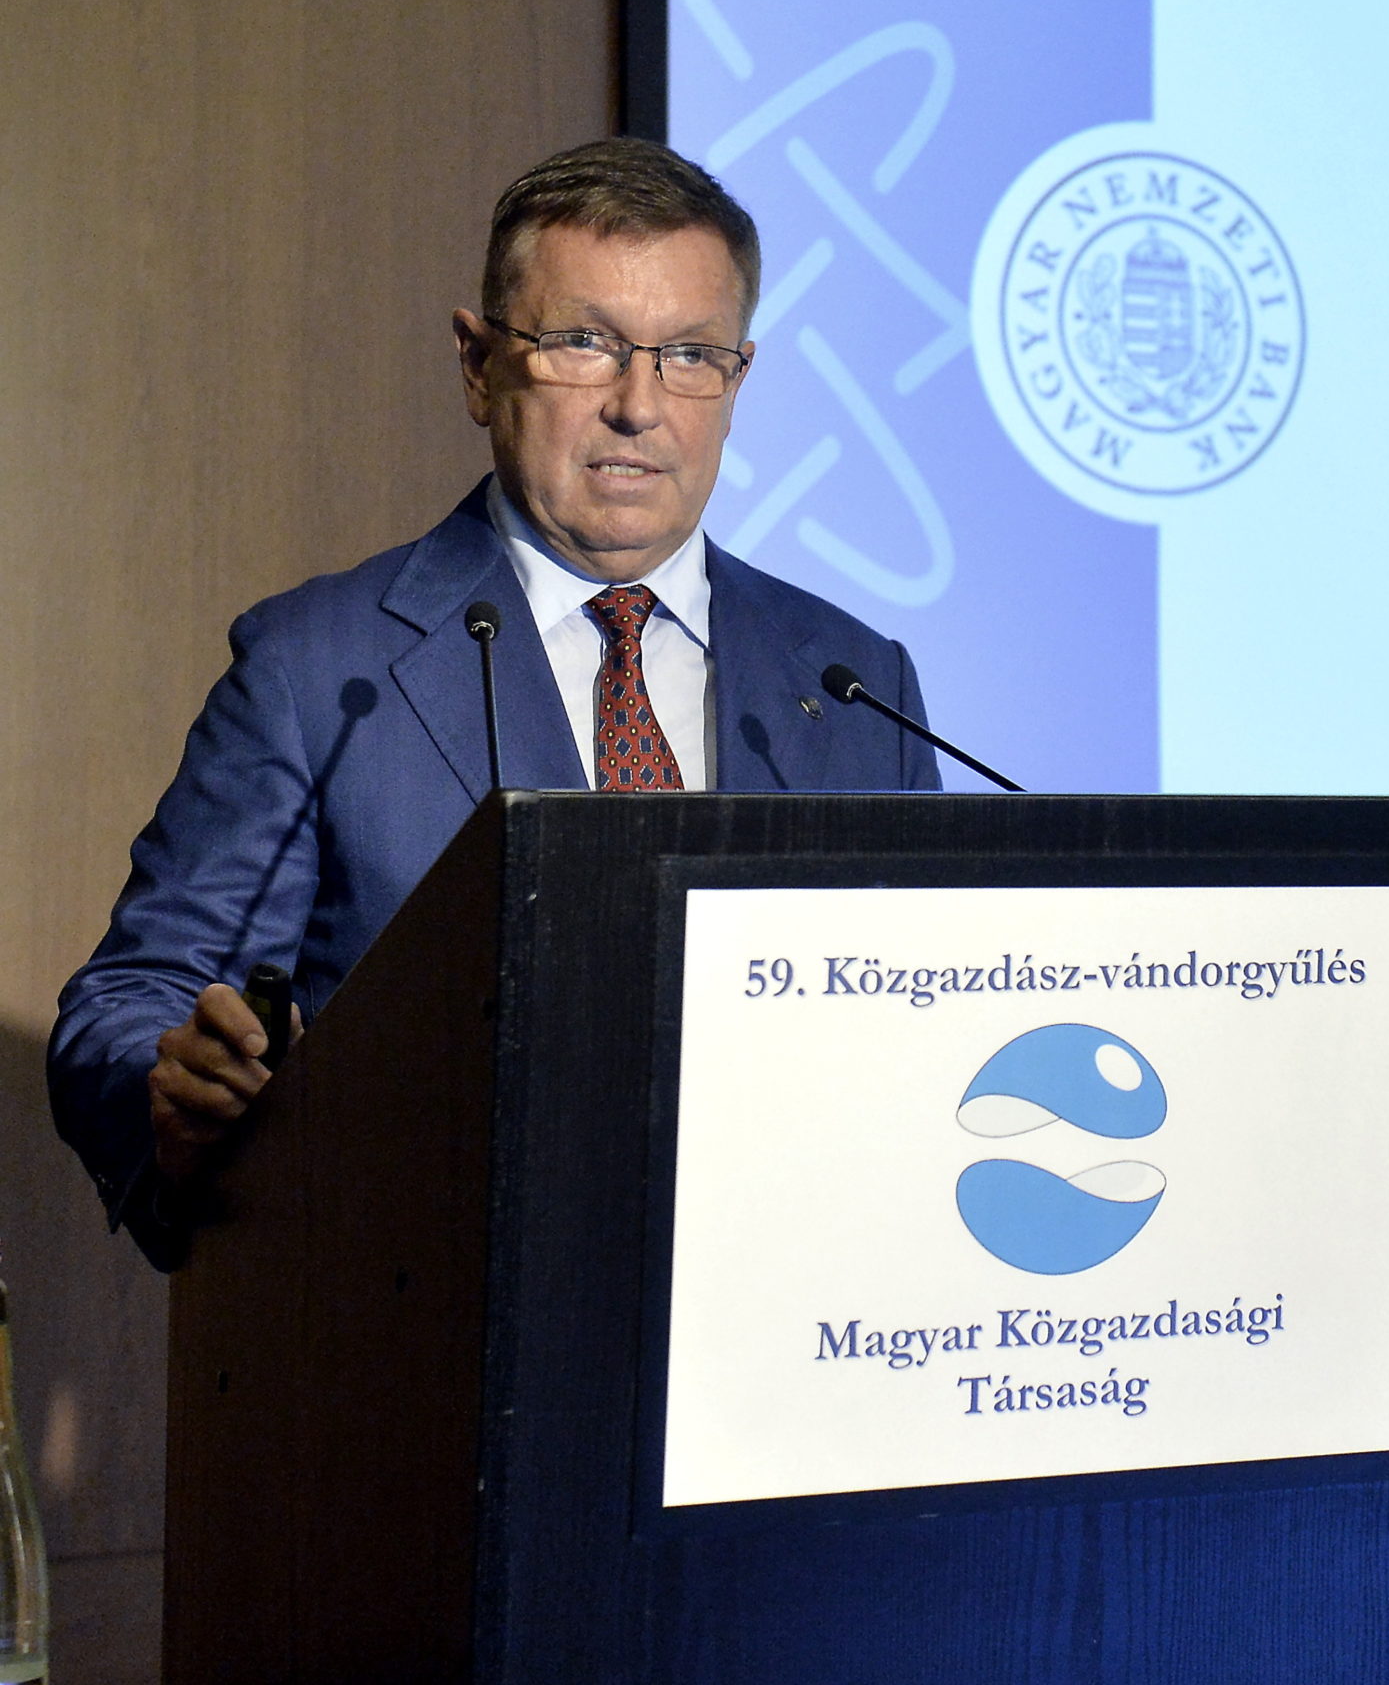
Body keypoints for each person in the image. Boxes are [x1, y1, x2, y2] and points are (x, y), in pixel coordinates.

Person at [50, 139, 940, 1269]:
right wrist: (172, 1086)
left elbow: (923, 1022)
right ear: (478, 366)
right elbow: (138, 1000)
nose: (638, 407)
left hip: (790, 1303)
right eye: (583, 344)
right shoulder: (318, 670)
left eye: (689, 356)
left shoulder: (857, 682)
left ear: (737, 381)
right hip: (431, 1299)